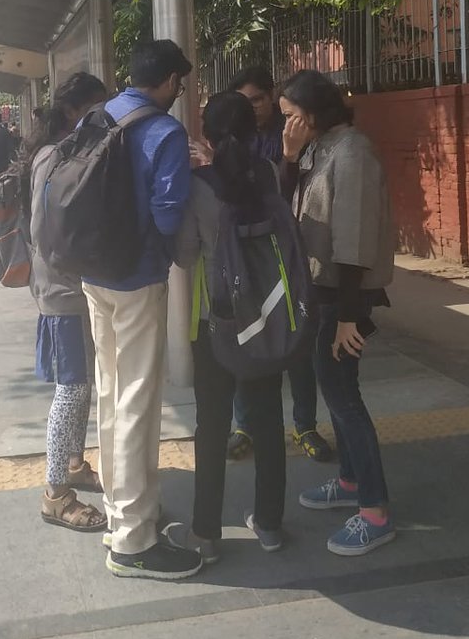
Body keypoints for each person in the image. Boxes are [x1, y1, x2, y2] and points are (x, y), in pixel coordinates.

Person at [82, 39, 202, 581]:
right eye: (180, 82)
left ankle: (121, 513)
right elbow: (170, 208)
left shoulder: (98, 116)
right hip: (137, 278)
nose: (179, 92)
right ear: (170, 81)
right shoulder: (164, 131)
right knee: (138, 400)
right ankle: (132, 542)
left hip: (93, 275)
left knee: (110, 392)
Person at [279, 71, 397, 556]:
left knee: (344, 397)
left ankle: (375, 511)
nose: (285, 125)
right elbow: (286, 205)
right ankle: (349, 481)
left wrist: (349, 316)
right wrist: (288, 159)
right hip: (324, 290)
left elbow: (353, 243)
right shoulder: (317, 146)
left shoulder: (353, 154)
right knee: (336, 389)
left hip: (345, 295)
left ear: (310, 113)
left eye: (289, 116)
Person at [174, 92, 289, 562]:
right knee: (267, 421)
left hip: (214, 320)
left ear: (209, 133)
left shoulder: (199, 185)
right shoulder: (269, 176)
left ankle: (205, 533)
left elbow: (183, 254)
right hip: (264, 317)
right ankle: (269, 524)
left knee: (212, 425)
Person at [225, 64, 332, 465]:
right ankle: (243, 425)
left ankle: (304, 424)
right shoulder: (235, 140)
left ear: (271, 96)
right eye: (244, 101)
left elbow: (287, 196)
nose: (253, 107)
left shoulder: (295, 135)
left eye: (257, 98)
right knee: (249, 340)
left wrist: (288, 156)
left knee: (299, 344)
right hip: (251, 259)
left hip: (290, 254)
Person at [26, 75, 109, 534]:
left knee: (82, 386)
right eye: (100, 108)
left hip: (68, 289)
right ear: (80, 112)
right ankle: (56, 494)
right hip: (65, 293)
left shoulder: (58, 154)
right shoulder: (59, 158)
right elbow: (49, 230)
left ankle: (74, 463)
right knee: (73, 389)